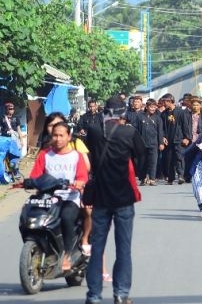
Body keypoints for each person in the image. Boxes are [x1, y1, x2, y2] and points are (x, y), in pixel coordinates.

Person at [84, 96, 145, 304]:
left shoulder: (94, 131)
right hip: (124, 197)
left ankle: (93, 295)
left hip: (101, 198)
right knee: (123, 248)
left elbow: (90, 151)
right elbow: (141, 154)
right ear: (123, 113)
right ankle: (121, 294)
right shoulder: (129, 132)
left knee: (97, 248)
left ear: (104, 112)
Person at [28, 121, 88, 272]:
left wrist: (78, 183)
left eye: (61, 135)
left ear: (69, 137)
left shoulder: (76, 156)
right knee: (31, 215)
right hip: (47, 198)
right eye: (55, 135)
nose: (58, 139)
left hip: (70, 197)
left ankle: (67, 255)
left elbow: (82, 176)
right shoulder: (44, 155)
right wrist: (29, 183)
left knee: (66, 217)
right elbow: (35, 176)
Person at [160, 93, 191, 185]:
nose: (164, 104)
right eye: (163, 102)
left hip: (179, 138)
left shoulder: (181, 112)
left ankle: (181, 176)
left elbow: (186, 125)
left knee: (179, 158)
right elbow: (161, 128)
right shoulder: (163, 114)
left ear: (170, 101)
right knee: (169, 159)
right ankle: (170, 178)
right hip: (168, 139)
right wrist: (163, 137)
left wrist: (187, 137)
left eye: (165, 101)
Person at [137, 99, 164, 186]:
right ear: (147, 107)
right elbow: (136, 130)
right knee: (142, 162)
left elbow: (160, 131)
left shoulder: (157, 118)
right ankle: (143, 178)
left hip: (154, 143)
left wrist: (161, 143)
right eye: (151, 107)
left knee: (153, 161)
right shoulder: (140, 117)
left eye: (154, 107)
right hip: (142, 143)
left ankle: (152, 178)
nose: (153, 109)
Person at [183, 96, 202, 182]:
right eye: (194, 105)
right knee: (188, 158)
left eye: (197, 105)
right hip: (189, 139)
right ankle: (188, 176)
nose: (195, 107)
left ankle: (197, 175)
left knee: (199, 159)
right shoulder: (187, 115)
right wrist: (185, 137)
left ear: (200, 106)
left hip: (200, 139)